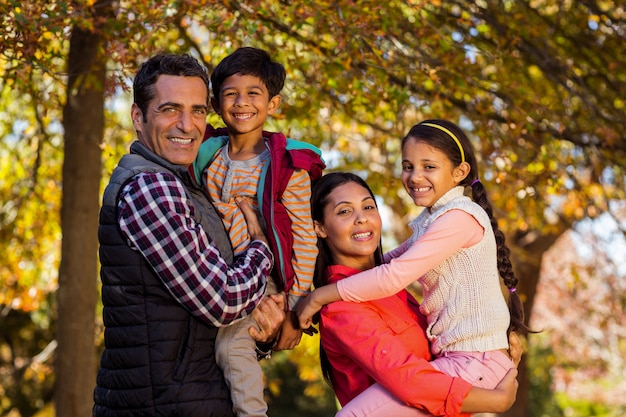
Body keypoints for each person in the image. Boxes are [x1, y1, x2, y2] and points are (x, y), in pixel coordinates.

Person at [93, 53, 285, 417]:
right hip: (166, 405)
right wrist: (262, 245)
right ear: (138, 116)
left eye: (198, 110)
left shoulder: (188, 184)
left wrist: (260, 332)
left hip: (193, 397)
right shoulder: (150, 188)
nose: (187, 124)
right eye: (170, 109)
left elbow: (200, 322)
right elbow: (225, 300)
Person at [299, 120, 533, 414]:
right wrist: (303, 299)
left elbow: (393, 272)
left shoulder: (457, 218)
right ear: (320, 228)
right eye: (408, 166)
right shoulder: (349, 302)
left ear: (459, 172)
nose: (415, 176)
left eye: (369, 207)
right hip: (463, 363)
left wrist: (318, 296)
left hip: (474, 360)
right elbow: (393, 264)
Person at [191, 47, 325, 417]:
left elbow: (304, 236)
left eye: (254, 93)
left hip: (264, 280)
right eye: (231, 94)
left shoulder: (286, 167)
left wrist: (296, 308)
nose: (242, 102)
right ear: (217, 104)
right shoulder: (208, 156)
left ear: (273, 103)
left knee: (232, 347)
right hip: (217, 273)